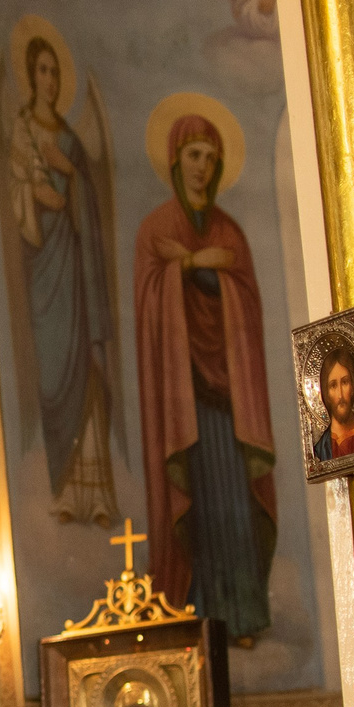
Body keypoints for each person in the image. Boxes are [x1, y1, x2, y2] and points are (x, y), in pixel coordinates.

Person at [134, 107, 278, 644]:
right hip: (182, 397)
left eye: (211, 159)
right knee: (194, 506)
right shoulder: (156, 230)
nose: (202, 168)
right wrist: (189, 269)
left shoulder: (230, 233)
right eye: (194, 156)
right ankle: (192, 615)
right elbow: (150, 308)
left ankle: (239, 616)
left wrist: (211, 269)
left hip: (228, 399)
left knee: (233, 508)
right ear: (175, 161)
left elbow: (247, 310)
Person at [7, 27, 118, 523]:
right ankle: (62, 493)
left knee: (85, 368)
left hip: (74, 265)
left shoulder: (69, 141)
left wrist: (68, 174)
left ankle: (93, 493)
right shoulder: (22, 131)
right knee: (54, 369)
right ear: (30, 75)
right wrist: (38, 189)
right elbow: (20, 198)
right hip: (43, 267)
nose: (49, 81)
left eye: (55, 72)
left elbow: (86, 204)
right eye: (42, 71)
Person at [315, 339, 354, 462]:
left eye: (345, 382)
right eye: (333, 385)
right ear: (326, 393)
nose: (340, 395)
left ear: (353, 386)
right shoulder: (320, 450)